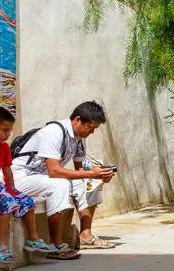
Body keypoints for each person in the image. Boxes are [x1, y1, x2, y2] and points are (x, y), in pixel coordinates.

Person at [11, 101, 117, 258]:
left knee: (90, 183)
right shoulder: (54, 131)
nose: (92, 132)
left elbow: (79, 171)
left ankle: (85, 236)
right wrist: (91, 174)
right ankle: (56, 246)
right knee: (59, 185)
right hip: (21, 177)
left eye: (95, 129)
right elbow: (54, 171)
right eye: (90, 127)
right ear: (78, 120)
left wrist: (100, 177)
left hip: (42, 178)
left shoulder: (80, 137)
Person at [0, 106, 59, 268]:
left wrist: (12, 189)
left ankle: (33, 240)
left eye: (10, 130)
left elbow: (7, 170)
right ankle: (0, 244)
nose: (8, 134)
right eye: (4, 130)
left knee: (27, 200)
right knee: (7, 202)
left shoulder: (3, 146)